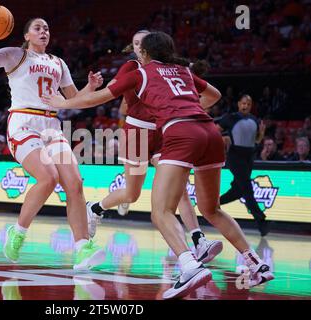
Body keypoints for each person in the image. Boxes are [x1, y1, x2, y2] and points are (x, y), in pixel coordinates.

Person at [42, 31, 274, 299]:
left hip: (178, 131)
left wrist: (63, 103)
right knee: (210, 208)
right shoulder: (182, 70)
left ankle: (189, 265)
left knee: (160, 211)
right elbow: (215, 94)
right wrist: (186, 107)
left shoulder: (140, 72)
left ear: (145, 52)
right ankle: (256, 262)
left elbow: (99, 98)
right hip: (207, 131)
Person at [0, 7, 106, 270]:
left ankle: (81, 248)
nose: (44, 32)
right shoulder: (15, 55)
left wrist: (90, 87)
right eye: (38, 28)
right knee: (49, 177)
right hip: (23, 123)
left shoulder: (58, 63)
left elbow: (74, 100)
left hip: (51, 126)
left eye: (46, 29)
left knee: (74, 183)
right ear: (27, 35)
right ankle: (17, 232)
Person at [86, 30, 222, 264]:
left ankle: (199, 240)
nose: (140, 47)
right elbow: (111, 96)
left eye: (144, 43)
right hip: (137, 133)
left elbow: (208, 94)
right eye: (136, 43)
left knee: (178, 190)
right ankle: (95, 208)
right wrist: (89, 89)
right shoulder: (131, 69)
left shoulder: (167, 68)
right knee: (132, 193)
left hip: (164, 131)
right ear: (134, 47)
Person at [217, 95, 271, 236]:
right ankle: (261, 220)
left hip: (249, 157)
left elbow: (256, 141)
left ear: (251, 105)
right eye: (243, 103)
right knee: (247, 188)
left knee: (238, 191)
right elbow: (214, 130)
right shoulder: (231, 118)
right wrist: (222, 140)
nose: (245, 106)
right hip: (235, 156)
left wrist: (262, 135)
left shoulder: (255, 119)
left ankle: (213, 204)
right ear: (238, 104)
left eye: (248, 103)